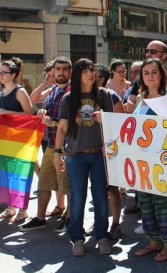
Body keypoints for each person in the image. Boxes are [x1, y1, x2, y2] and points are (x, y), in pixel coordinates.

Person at [53, 58, 113, 256]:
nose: (91, 74)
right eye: (86, 71)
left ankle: (102, 236)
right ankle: (76, 238)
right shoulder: (69, 98)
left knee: (100, 198)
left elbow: (115, 124)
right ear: (78, 75)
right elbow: (61, 128)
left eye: (92, 70)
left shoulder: (103, 94)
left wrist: (104, 118)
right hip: (75, 156)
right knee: (77, 198)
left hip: (98, 155)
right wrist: (57, 152)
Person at [132, 58, 167, 262]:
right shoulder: (140, 99)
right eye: (146, 73)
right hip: (142, 160)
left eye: (154, 72)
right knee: (145, 202)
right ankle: (153, 241)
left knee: (165, 203)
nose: (150, 76)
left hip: (163, 160)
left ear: (162, 75)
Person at [19, 56, 72, 233]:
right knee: (44, 182)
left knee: (68, 185)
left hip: (67, 146)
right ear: (53, 72)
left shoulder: (74, 92)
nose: (61, 72)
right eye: (58, 69)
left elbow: (77, 122)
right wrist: (42, 112)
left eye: (65, 69)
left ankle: (69, 218)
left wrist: (53, 123)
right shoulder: (53, 90)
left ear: (70, 72)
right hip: (50, 144)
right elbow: (36, 101)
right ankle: (40, 218)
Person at [0, 57, 33, 223]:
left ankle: (23, 209)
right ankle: (11, 207)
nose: (1, 75)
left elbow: (30, 114)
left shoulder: (20, 91)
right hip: (6, 140)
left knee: (20, 175)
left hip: (21, 140)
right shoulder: (2, 92)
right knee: (7, 175)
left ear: (13, 75)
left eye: (4, 72)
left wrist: (5, 112)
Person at [94, 63, 124, 239]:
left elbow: (122, 125)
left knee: (112, 188)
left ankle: (116, 223)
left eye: (97, 76)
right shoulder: (85, 97)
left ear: (104, 78)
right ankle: (101, 221)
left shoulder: (112, 97)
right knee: (97, 189)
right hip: (92, 149)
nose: (93, 79)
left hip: (110, 150)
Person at [126, 40, 167, 112]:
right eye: (147, 51)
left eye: (153, 51)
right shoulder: (139, 97)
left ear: (161, 75)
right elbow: (129, 105)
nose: (148, 54)